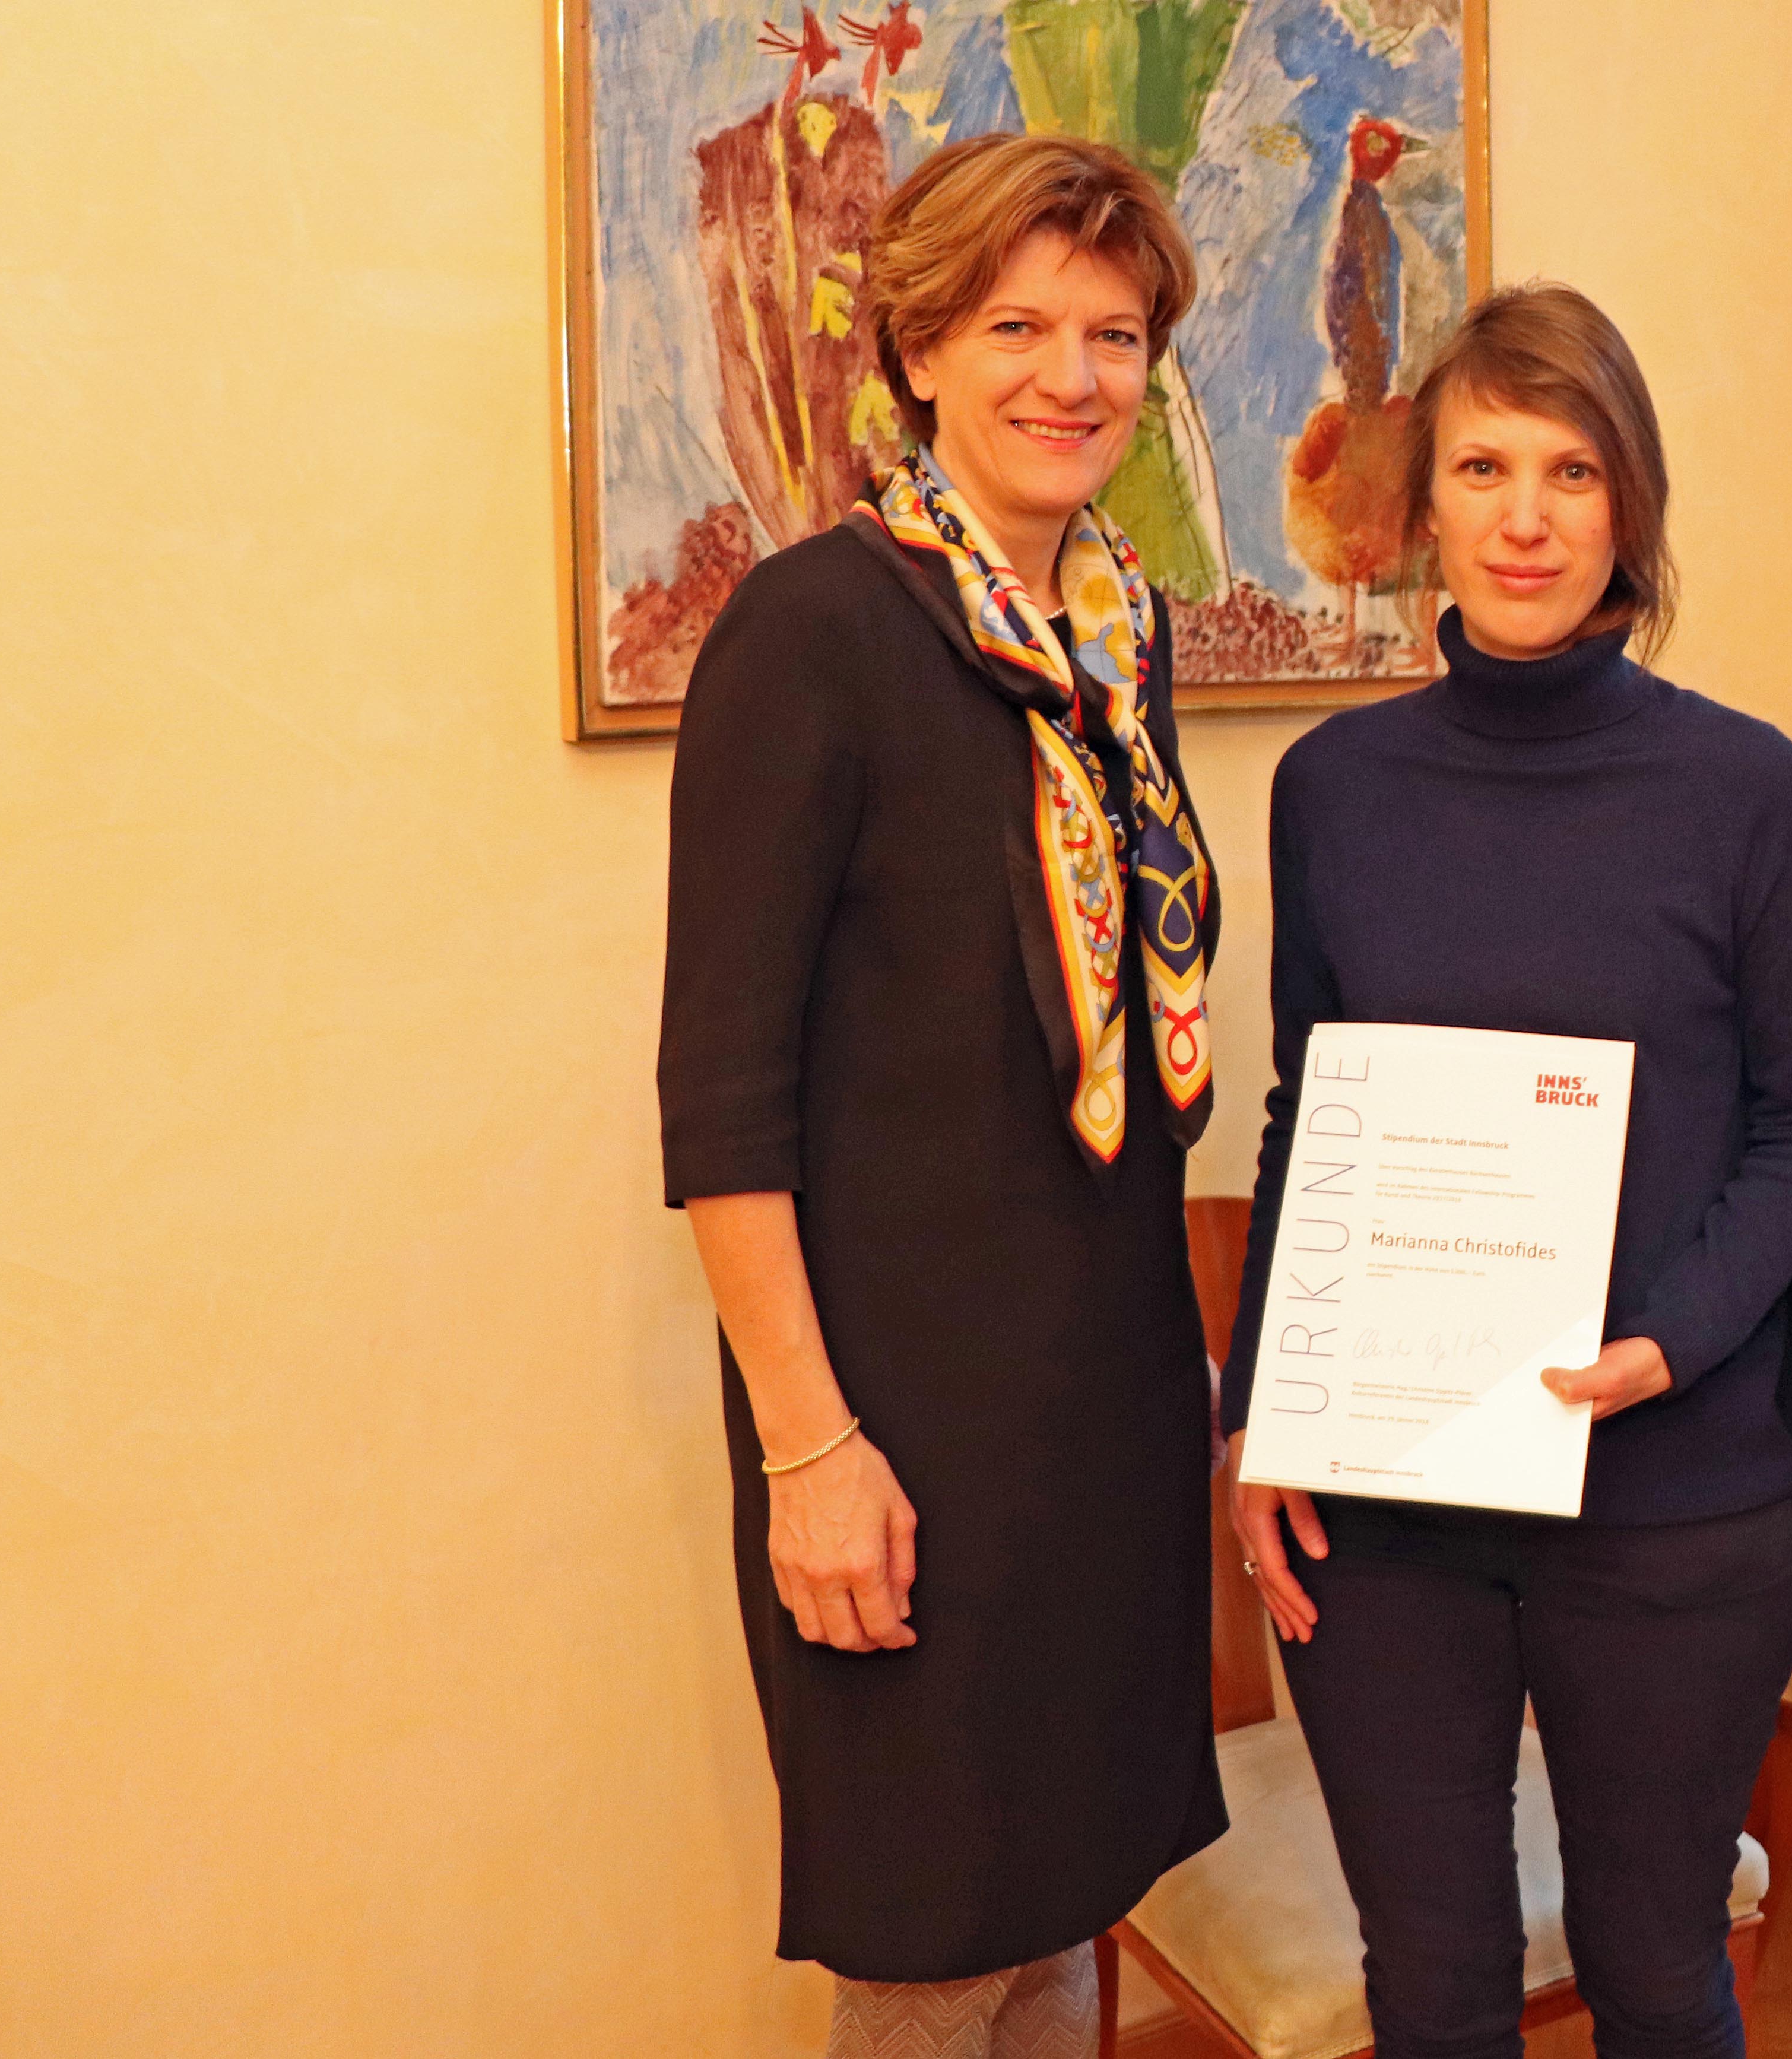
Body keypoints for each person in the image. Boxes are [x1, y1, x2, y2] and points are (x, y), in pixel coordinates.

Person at [1220, 282, 1792, 2059]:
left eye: (1571, 471)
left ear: (1629, 508)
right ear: (1419, 502)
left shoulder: (1751, 791)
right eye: (1483, 466)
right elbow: (1310, 1118)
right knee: (1433, 1985)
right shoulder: (1336, 787)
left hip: (1671, 1496)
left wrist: (1666, 1340)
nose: (1524, 516)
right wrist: (1261, 1413)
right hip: (1390, 1515)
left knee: (1657, 1971)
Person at [657, 133, 1227, 2059]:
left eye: (1117, 333)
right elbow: (721, 1098)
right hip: (900, 1440)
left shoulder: (1117, 645)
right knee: (934, 1954)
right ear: (915, 349)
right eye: (1017, 327)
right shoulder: (815, 630)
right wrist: (810, 1454)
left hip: (1102, 1422)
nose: (1074, 376)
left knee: (1065, 1917)